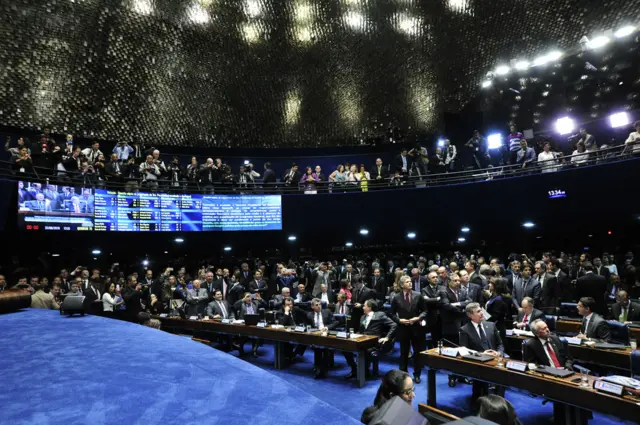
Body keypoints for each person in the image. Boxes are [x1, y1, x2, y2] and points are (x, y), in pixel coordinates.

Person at [344, 300, 397, 379]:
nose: (363, 307)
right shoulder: (362, 317)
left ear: (369, 307)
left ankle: (365, 371)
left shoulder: (380, 315)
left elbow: (394, 325)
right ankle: (354, 369)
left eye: (364, 306)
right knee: (345, 348)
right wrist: (354, 335)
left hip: (374, 342)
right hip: (362, 340)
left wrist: (387, 337)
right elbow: (361, 331)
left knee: (365, 350)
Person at [389, 275, 427, 384]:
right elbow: (391, 313)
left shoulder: (418, 295)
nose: (410, 283)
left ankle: (417, 374)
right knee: (404, 352)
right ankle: (403, 374)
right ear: (402, 285)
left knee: (417, 353)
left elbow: (425, 311)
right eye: (407, 282)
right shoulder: (396, 297)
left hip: (416, 328)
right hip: (403, 328)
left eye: (410, 281)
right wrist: (399, 320)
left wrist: (418, 318)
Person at [306, 298, 338, 379]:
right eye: (316, 305)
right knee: (318, 348)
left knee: (324, 348)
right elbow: (307, 326)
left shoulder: (327, 311)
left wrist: (327, 327)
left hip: (327, 334)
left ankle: (321, 369)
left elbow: (335, 322)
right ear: (312, 307)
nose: (319, 306)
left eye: (320, 304)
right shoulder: (309, 315)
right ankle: (318, 368)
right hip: (315, 336)